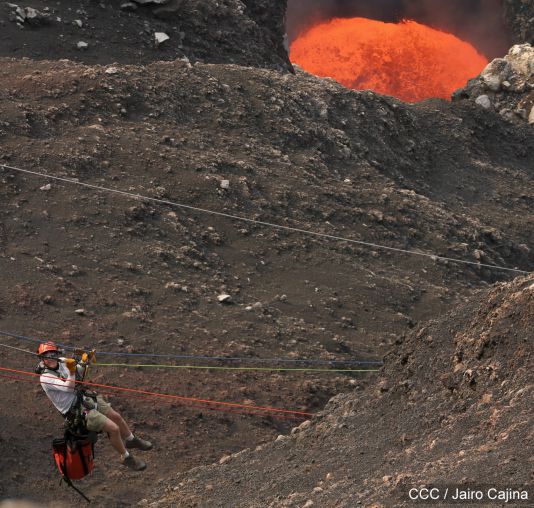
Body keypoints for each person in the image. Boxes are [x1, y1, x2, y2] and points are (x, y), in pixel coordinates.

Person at [37, 341, 152, 471]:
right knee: (113, 429)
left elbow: (79, 375)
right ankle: (126, 457)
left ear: (57, 354)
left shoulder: (63, 361)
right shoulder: (45, 378)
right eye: (47, 356)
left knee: (116, 416)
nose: (51, 358)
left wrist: (84, 362)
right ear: (42, 359)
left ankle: (131, 439)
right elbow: (69, 387)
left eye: (53, 354)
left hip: (83, 397)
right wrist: (72, 371)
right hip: (76, 411)